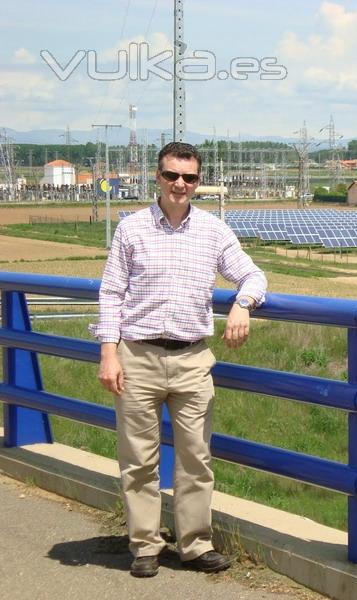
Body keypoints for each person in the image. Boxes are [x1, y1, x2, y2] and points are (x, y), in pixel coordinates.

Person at [92, 141, 267, 578]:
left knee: (195, 457)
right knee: (139, 460)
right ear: (158, 177)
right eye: (172, 175)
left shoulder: (214, 231)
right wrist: (108, 354)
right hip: (137, 357)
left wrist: (243, 304)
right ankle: (146, 546)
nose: (180, 184)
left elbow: (252, 273)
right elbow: (111, 293)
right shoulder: (131, 229)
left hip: (192, 360)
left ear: (198, 182)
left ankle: (194, 545)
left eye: (189, 177)